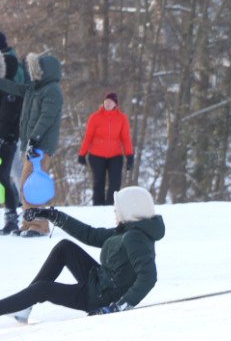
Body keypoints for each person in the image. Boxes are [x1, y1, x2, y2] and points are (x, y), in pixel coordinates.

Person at [0, 186, 164, 322]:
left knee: (42, 289)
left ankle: (20, 305)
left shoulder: (134, 238)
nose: (115, 212)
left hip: (100, 298)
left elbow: (148, 277)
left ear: (130, 210)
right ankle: (24, 305)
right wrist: (52, 215)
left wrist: (119, 306)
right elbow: (90, 235)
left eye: (118, 209)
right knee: (64, 248)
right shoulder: (128, 231)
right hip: (99, 283)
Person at [5, 53, 65, 238]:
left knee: (31, 185)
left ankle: (39, 225)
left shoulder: (52, 91)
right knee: (25, 185)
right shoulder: (34, 88)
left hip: (40, 145)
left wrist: (34, 139)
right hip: (30, 143)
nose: (32, 73)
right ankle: (29, 223)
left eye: (35, 70)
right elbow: (15, 88)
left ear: (44, 71)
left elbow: (46, 118)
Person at [78, 92, 134, 207]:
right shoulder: (95, 117)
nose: (108, 103)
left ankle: (110, 206)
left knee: (115, 183)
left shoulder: (122, 118)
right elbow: (88, 136)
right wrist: (82, 154)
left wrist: (130, 156)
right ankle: (98, 208)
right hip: (96, 155)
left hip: (115, 156)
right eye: (106, 101)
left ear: (115, 104)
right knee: (99, 183)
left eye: (111, 102)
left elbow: (126, 138)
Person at [0, 33, 22, 235]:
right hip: (6, 138)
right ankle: (11, 215)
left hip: (7, 140)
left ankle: (12, 216)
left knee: (5, 175)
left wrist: (9, 137)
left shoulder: (12, 91)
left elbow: (11, 117)